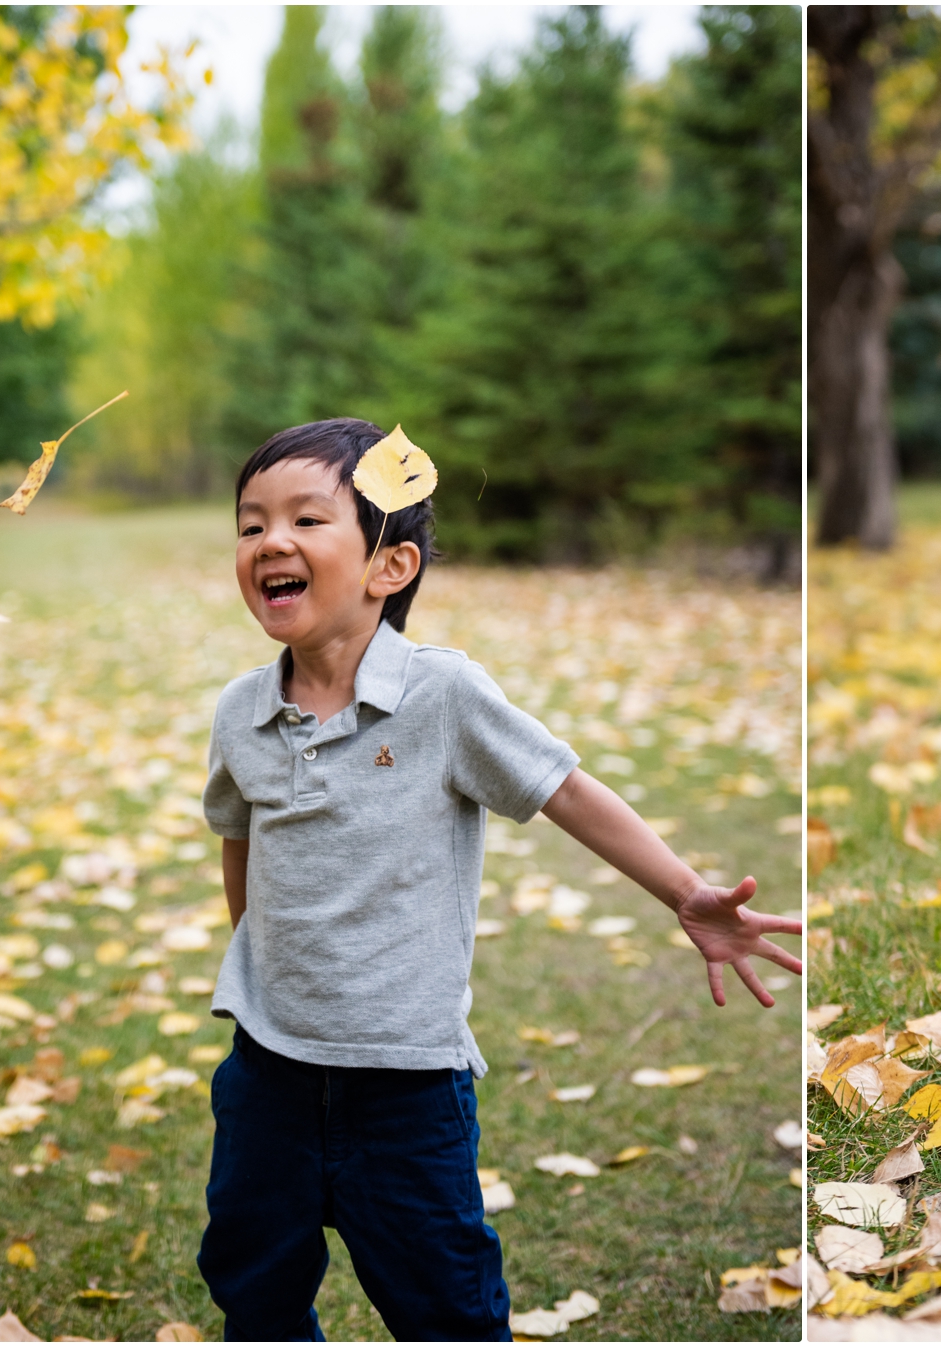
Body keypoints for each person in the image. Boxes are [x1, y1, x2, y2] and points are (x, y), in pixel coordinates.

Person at [196, 418, 803, 1340]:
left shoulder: (444, 696)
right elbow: (242, 840)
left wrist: (685, 891)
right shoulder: (243, 710)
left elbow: (566, 789)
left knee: (444, 1299)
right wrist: (255, 962)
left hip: (404, 1086)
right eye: (251, 525)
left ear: (388, 567)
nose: (271, 542)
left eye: (306, 521)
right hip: (267, 1070)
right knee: (253, 1280)